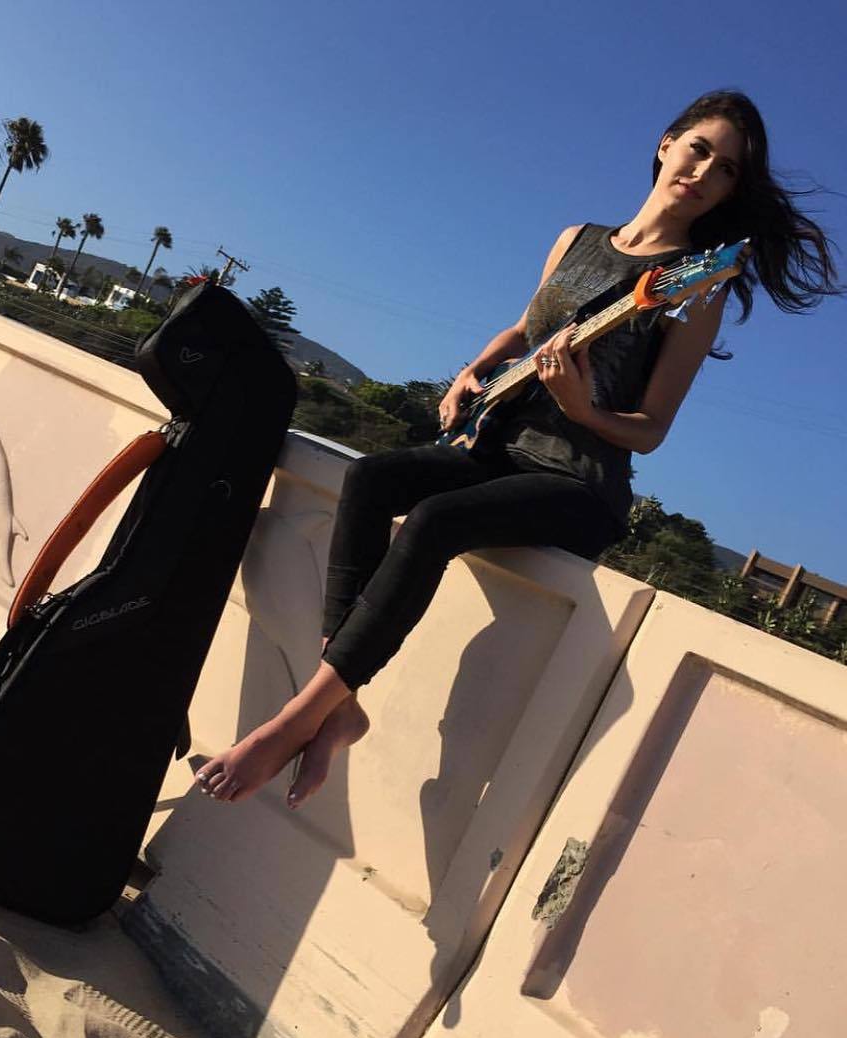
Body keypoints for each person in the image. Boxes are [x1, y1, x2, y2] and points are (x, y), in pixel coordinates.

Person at [194, 89, 841, 809]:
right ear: (667, 143)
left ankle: (295, 719)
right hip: (499, 445)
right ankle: (337, 705)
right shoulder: (576, 239)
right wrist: (474, 369)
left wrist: (583, 408)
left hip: (581, 483)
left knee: (434, 520)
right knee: (373, 477)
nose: (704, 172)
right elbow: (527, 330)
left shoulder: (696, 287)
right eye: (699, 149)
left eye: (726, 170)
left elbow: (652, 429)